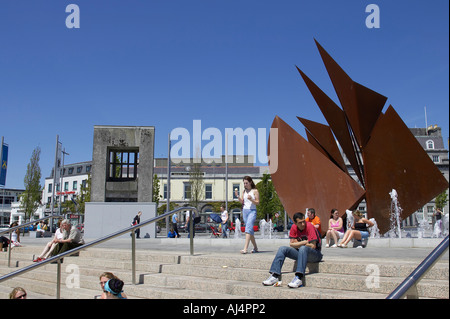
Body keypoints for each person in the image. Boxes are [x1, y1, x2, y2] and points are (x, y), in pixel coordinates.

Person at [262, 212, 322, 288]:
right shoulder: (294, 227)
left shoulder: (309, 226)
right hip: (301, 253)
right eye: (300, 223)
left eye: (304, 221)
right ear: (295, 223)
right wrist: (304, 242)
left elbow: (313, 246)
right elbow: (291, 244)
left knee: (303, 248)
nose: (303, 224)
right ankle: (274, 275)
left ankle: (299, 277)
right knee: (282, 249)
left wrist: (299, 243)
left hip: (315, 254)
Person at [236, 176, 259, 254]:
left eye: (246, 183)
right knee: (250, 231)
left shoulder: (255, 191)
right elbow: (242, 202)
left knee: (248, 229)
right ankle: (255, 247)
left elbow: (257, 202)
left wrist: (251, 199)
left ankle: (245, 249)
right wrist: (237, 196)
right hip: (245, 211)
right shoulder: (244, 191)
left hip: (252, 211)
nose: (245, 184)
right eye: (244, 183)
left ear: (250, 182)